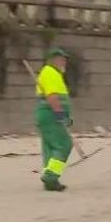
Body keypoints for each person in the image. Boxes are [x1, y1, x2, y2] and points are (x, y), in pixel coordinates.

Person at [36, 48, 73, 192]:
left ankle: (50, 181)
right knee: (63, 145)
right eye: (61, 59)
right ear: (53, 60)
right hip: (51, 114)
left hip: (46, 114)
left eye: (65, 59)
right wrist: (60, 115)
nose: (64, 62)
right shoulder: (50, 72)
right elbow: (52, 96)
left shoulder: (52, 73)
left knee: (50, 148)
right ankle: (51, 175)